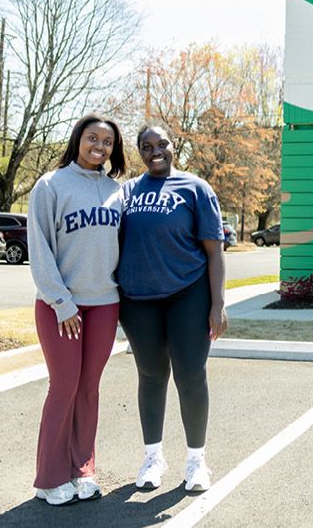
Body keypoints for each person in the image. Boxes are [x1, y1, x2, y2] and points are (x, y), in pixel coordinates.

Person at [116, 125, 227, 492]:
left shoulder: (196, 189)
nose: (155, 151)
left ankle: (196, 461)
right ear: (139, 153)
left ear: (174, 146)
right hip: (138, 299)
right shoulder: (128, 191)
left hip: (187, 294)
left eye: (162, 144)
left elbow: (214, 252)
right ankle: (153, 457)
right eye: (146, 147)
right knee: (150, 375)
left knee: (191, 374)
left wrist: (217, 304)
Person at [27, 114, 126, 506]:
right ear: (77, 140)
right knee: (63, 387)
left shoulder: (117, 191)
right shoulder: (50, 186)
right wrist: (63, 303)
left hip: (104, 305)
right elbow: (40, 250)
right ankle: (49, 478)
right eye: (92, 138)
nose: (99, 146)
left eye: (107, 142)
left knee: (88, 389)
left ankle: (82, 469)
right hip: (60, 307)